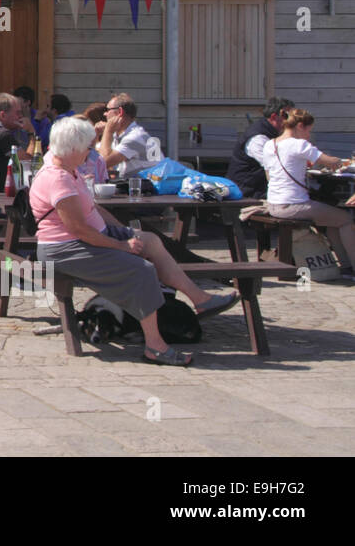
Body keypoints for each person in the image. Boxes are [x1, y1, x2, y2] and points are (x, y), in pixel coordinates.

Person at [31, 116, 240, 366]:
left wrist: (124, 232)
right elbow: (80, 230)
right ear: (73, 148)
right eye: (88, 146)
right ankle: (156, 346)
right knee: (142, 270)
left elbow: (92, 211)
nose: (91, 151)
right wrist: (122, 246)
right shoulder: (58, 179)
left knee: (149, 240)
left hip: (83, 239)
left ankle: (200, 299)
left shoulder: (69, 170)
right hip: (66, 249)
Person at [260, 108, 355, 275]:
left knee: (334, 219)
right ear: (300, 126)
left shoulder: (270, 144)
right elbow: (331, 162)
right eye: (309, 131)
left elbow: (269, 174)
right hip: (294, 205)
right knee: (346, 219)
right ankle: (352, 266)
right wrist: (344, 161)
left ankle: (346, 266)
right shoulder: (299, 144)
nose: (309, 136)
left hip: (274, 203)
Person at [227, 97, 296, 199]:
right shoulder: (258, 138)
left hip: (261, 188)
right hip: (248, 192)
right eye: (287, 116)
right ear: (273, 117)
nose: (291, 121)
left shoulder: (274, 133)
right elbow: (275, 165)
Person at [98, 92, 161, 178]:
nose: (105, 114)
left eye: (108, 110)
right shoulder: (119, 135)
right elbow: (96, 160)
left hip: (149, 188)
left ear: (120, 112)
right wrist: (95, 136)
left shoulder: (135, 137)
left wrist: (107, 131)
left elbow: (103, 163)